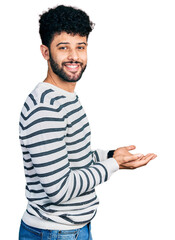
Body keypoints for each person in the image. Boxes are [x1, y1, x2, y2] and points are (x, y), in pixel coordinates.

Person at [18, 5, 157, 240]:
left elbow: (73, 157)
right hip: (54, 232)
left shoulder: (64, 98)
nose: (74, 56)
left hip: (70, 230)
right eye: (63, 48)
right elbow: (59, 190)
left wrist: (111, 154)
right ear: (45, 52)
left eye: (80, 47)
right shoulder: (45, 108)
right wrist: (114, 165)